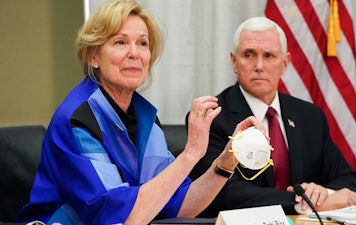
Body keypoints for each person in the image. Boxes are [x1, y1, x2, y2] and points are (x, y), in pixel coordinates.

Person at [15, 1, 265, 225]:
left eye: (142, 43)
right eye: (120, 42)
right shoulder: (77, 119)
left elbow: (180, 204)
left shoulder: (143, 115)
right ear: (94, 57)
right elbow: (120, 218)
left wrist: (226, 162)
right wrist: (190, 154)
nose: (134, 53)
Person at [187, 17, 356, 217]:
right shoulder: (213, 117)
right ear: (234, 61)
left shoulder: (310, 116)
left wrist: (323, 194)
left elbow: (348, 180)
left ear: (285, 63)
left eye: (269, 56)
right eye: (249, 54)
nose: (259, 66)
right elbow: (224, 193)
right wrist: (303, 203)